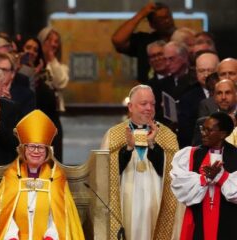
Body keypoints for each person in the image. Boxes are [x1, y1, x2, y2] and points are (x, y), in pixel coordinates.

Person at [0, 109, 85, 239]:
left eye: (40, 147)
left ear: (47, 151)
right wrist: (11, 236)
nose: (36, 151)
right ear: (23, 148)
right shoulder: (12, 176)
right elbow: (4, 215)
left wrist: (51, 236)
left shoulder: (56, 177)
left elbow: (61, 217)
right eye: (31, 146)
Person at [101, 85, 179, 240]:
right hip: (125, 198)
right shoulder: (115, 134)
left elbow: (171, 173)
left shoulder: (167, 135)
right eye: (144, 104)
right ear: (130, 106)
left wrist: (152, 145)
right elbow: (106, 172)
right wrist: (128, 149)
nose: (149, 108)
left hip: (155, 199)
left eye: (152, 104)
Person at [171, 111, 237, 239]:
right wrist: (205, 178)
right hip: (198, 219)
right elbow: (179, 185)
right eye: (203, 129)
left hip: (229, 223)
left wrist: (221, 177)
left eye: (209, 130)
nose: (203, 133)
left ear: (223, 134)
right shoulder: (191, 154)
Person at [112, 2, 175, 83]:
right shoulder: (144, 41)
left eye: (168, 17)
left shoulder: (182, 39)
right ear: (152, 24)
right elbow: (118, 40)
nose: (167, 21)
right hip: (148, 91)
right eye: (160, 19)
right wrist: (141, 14)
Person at [37, 27, 69, 162]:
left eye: (56, 41)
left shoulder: (59, 66)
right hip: (36, 115)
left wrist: (51, 58)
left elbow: (60, 82)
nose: (53, 44)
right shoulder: (34, 63)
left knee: (54, 158)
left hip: (53, 116)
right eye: (49, 40)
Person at [192, 79, 237, 146]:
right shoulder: (202, 122)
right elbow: (197, 150)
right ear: (214, 97)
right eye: (219, 93)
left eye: (228, 93)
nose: (223, 97)